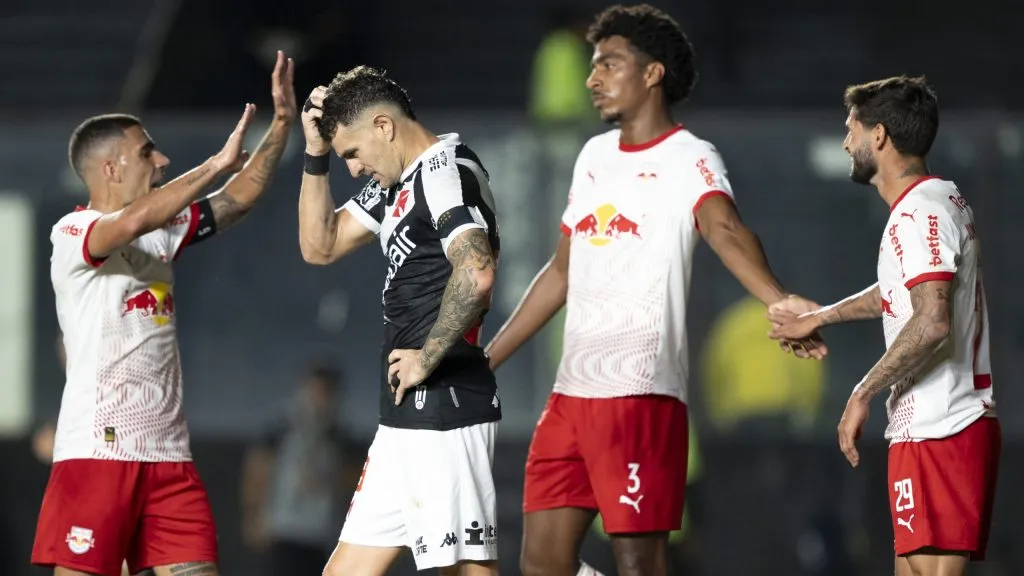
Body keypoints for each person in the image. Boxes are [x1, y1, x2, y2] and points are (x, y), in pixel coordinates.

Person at [483, 5, 822, 576]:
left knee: (639, 563)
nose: (592, 79)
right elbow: (561, 272)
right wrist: (487, 359)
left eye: (609, 64)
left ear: (652, 73)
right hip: (569, 401)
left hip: (639, 398)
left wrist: (776, 299)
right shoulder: (592, 157)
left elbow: (725, 229)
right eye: (592, 65)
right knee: (541, 564)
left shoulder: (691, 157)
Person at [31, 50, 297, 576]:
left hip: (169, 456)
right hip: (99, 452)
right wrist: (215, 164)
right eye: (147, 152)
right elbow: (128, 225)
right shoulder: (74, 233)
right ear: (111, 168)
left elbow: (238, 199)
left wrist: (282, 124)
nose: (162, 160)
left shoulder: (161, 232)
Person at [768, 75, 1000, 576]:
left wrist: (863, 391)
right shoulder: (929, 204)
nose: (845, 142)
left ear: (879, 136)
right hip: (923, 431)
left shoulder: (921, 211)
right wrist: (820, 316)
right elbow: (900, 292)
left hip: (945, 428)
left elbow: (932, 320)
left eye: (850, 128)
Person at [297, 65, 502, 576]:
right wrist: (316, 154)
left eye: (352, 152)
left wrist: (425, 359)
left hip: (444, 407)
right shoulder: (399, 181)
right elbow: (320, 245)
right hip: (405, 414)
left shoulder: (443, 173)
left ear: (384, 126)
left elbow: (476, 272)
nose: (353, 169)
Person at [241, 364, 362, 576]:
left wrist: (329, 478)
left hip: (321, 533)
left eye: (325, 393)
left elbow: (356, 481)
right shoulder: (282, 427)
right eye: (314, 392)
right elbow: (257, 469)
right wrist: (253, 514)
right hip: (282, 528)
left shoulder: (341, 437)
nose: (318, 400)